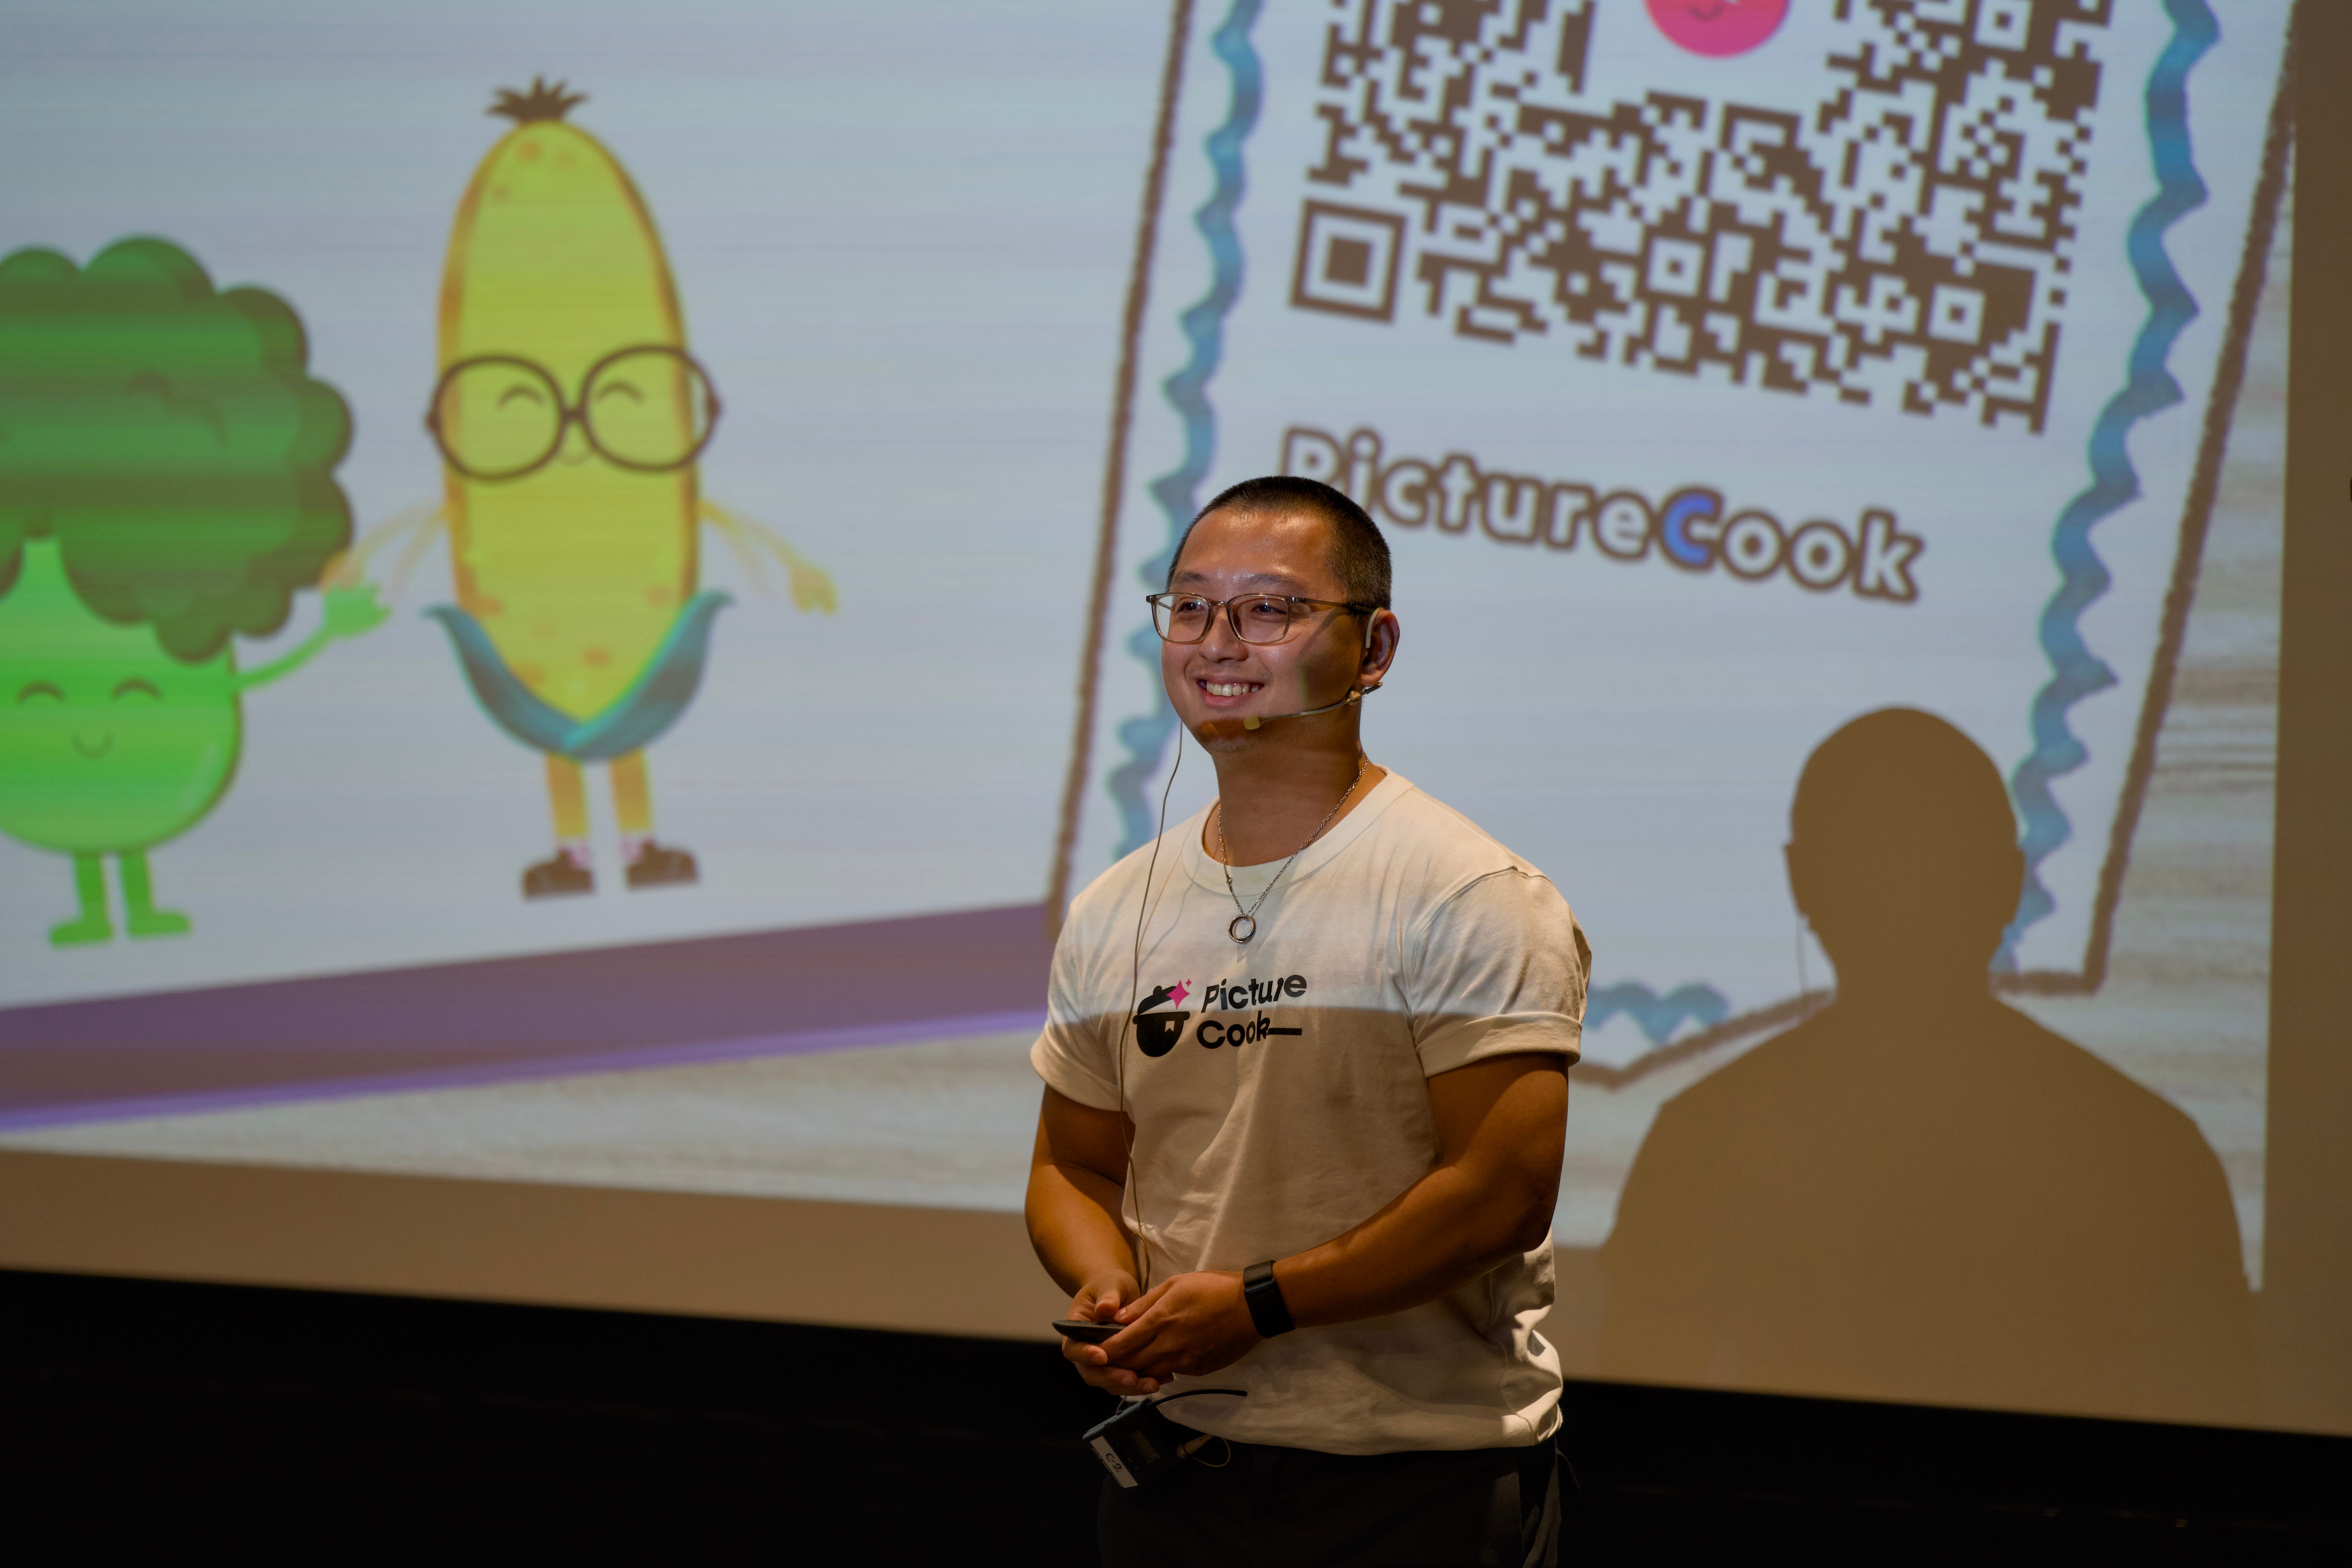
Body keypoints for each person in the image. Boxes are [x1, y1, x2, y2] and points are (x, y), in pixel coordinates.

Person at [1026, 476, 1590, 1568]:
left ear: (1373, 649)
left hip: (1418, 1483)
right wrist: (1106, 1293)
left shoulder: (1468, 892)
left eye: (1268, 609)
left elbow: (1501, 1193)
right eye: (1192, 607)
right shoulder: (1115, 907)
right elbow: (1073, 1164)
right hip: (1178, 1480)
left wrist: (1258, 1306)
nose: (1217, 642)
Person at [1597, 707, 2257, 1425]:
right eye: (1880, 865)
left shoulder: (1705, 1140)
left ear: (1803, 882)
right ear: (2010, 883)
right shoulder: (2149, 1151)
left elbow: (1639, 1431)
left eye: (1925, 865)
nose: (1905, 896)